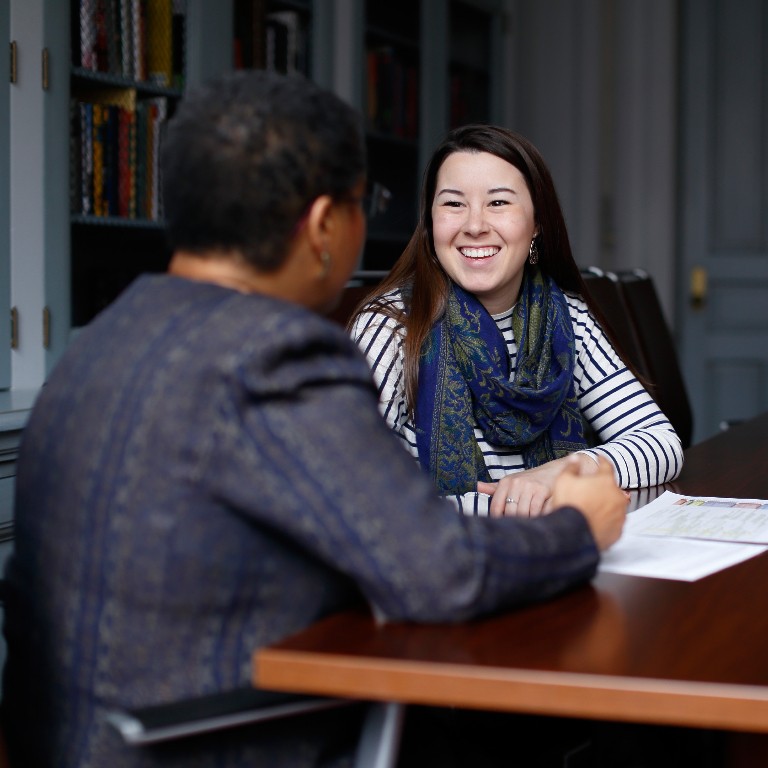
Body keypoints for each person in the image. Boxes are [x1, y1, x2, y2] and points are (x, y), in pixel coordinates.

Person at [0, 71, 626, 768]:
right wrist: (579, 529)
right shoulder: (272, 357)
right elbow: (436, 572)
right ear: (326, 224)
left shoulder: (98, 343)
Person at [350, 124, 684, 518]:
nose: (474, 225)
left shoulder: (568, 319)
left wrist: (561, 474)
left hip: (556, 554)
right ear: (430, 225)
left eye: (498, 203)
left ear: (536, 224)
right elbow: (351, 481)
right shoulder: (392, 327)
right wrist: (510, 507)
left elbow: (661, 444)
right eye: (453, 204)